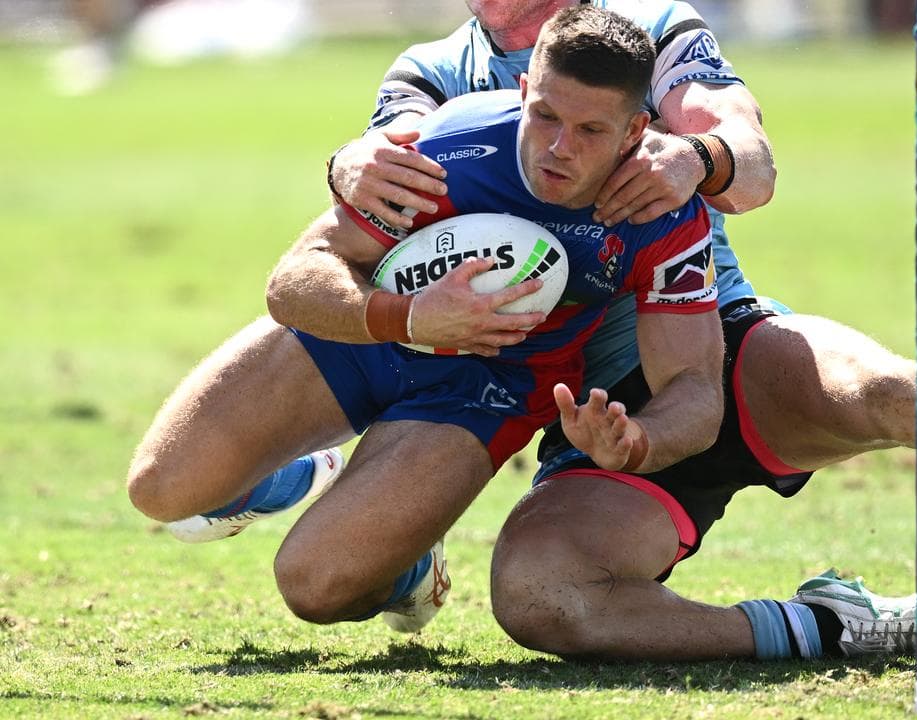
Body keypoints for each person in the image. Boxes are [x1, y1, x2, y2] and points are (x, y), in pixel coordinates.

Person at [327, 0, 917, 661]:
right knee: (541, 595)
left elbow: (752, 167)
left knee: (901, 396)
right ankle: (833, 629)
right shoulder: (431, 72)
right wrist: (348, 161)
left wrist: (696, 156)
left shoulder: (649, 29)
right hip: (592, 416)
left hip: (720, 343)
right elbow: (379, 191)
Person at [126, 5, 725, 633]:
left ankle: (406, 565)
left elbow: (696, 389)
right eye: (544, 114)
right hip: (363, 334)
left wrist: (641, 443)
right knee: (160, 490)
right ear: (523, 91)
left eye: (590, 131)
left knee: (315, 587)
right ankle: (296, 478)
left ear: (634, 132)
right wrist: (409, 317)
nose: (557, 147)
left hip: (484, 392)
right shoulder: (449, 147)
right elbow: (298, 276)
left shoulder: (662, 216)